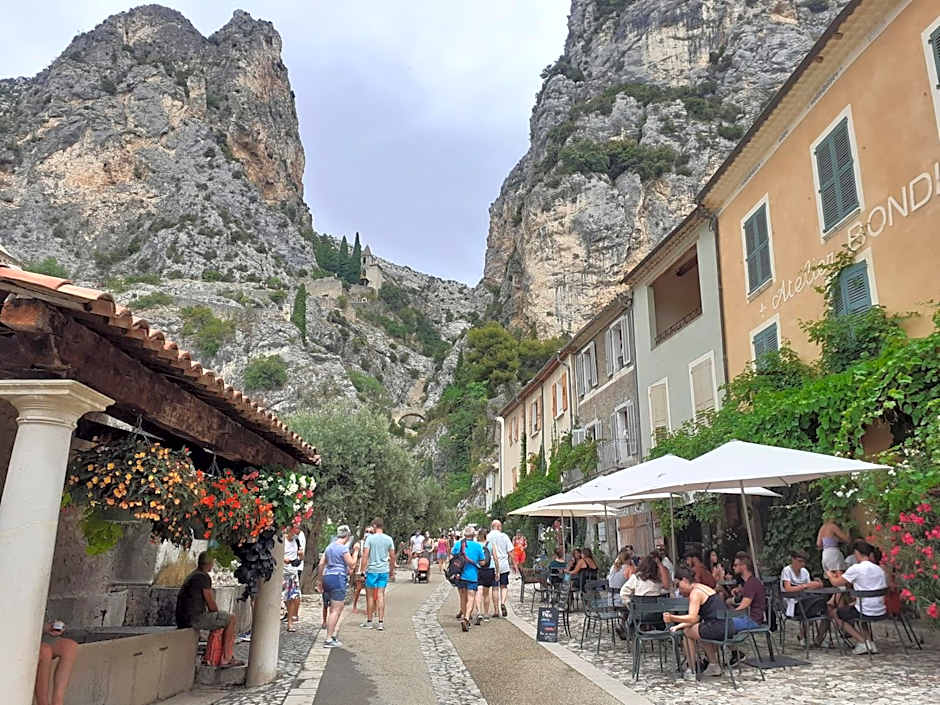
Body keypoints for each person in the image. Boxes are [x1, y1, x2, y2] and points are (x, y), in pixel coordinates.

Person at [175, 551, 242, 666]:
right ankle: (227, 658)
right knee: (230, 619)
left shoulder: (193, 575)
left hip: (183, 618)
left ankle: (214, 655)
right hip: (194, 619)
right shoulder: (203, 577)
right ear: (210, 564)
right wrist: (218, 617)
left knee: (222, 619)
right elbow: (210, 602)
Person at [663, 565, 725, 680]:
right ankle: (713, 664)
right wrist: (679, 626)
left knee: (688, 632)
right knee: (698, 630)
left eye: (678, 585)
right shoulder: (701, 588)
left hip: (718, 627)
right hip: (724, 626)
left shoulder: (695, 593)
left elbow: (692, 617)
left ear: (685, 580)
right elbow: (697, 618)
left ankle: (691, 669)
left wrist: (672, 618)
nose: (679, 590)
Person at [826, 540, 887, 655]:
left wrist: (830, 575)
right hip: (880, 609)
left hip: (866, 610)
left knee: (835, 613)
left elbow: (836, 583)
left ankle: (863, 641)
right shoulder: (879, 569)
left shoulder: (856, 568)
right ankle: (870, 643)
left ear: (857, 553)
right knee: (854, 607)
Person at [317, 524, 358, 648]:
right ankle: (329, 638)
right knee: (336, 609)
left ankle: (331, 633)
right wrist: (356, 552)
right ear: (347, 536)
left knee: (331, 608)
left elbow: (321, 564)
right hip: (338, 578)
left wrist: (320, 580)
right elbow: (352, 564)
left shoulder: (329, 547)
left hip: (327, 577)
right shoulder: (343, 548)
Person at [780, 549, 825, 645]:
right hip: (791, 603)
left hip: (804, 600)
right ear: (793, 560)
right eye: (800, 561)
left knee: (819, 604)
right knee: (813, 608)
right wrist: (804, 586)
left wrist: (816, 585)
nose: (802, 564)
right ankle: (803, 635)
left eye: (804, 562)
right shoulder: (787, 571)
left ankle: (804, 635)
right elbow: (788, 588)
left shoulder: (805, 572)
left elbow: (809, 589)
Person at [360, 517, 396, 631]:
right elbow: (392, 556)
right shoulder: (389, 539)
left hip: (372, 570)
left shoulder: (370, 539)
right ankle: (380, 622)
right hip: (383, 570)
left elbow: (365, 555)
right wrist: (391, 570)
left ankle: (369, 621)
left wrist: (362, 569)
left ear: (375, 526)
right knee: (381, 595)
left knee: (370, 596)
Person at [35, 621, 78, 705]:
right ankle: (42, 702)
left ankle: (57, 701)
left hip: (39, 635)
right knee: (45, 651)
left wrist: (49, 627)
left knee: (70, 646)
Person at [453, 525, 486, 631]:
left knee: (462, 597)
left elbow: (452, 557)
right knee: (471, 597)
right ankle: (467, 618)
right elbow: (482, 562)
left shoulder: (458, 544)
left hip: (460, 575)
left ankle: (464, 616)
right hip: (472, 576)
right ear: (473, 535)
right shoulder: (477, 546)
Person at [727, 552, 766, 633]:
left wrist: (728, 614)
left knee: (720, 625)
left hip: (752, 620)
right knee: (719, 625)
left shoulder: (750, 583)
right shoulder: (751, 582)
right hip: (753, 618)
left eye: (735, 565)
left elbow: (744, 605)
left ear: (743, 566)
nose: (733, 567)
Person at [486, 519, 514, 616]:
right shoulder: (504, 536)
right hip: (504, 564)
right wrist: (515, 564)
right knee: (504, 586)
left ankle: (496, 610)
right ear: (498, 527)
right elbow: (510, 551)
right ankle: (502, 603)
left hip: (492, 564)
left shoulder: (488, 537)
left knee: (494, 588)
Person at [283, 526, 306, 632]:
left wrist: (301, 556)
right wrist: (283, 559)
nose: (298, 531)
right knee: (282, 598)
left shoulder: (296, 541)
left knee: (292, 597)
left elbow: (300, 559)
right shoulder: (283, 540)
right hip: (282, 573)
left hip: (292, 573)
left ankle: (290, 622)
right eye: (296, 528)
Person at [476, 528, 496, 624]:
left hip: (478, 569)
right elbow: (495, 558)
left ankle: (479, 612)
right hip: (489, 569)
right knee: (486, 593)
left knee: (478, 591)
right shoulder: (490, 545)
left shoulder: (476, 545)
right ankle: (486, 614)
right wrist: (498, 571)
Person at [350, 526, 372, 614]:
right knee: (358, 588)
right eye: (367, 531)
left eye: (371, 532)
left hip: (370, 569)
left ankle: (369, 608)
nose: (368, 533)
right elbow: (355, 556)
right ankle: (354, 605)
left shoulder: (373, 544)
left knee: (369, 589)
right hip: (360, 569)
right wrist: (352, 567)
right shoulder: (359, 544)